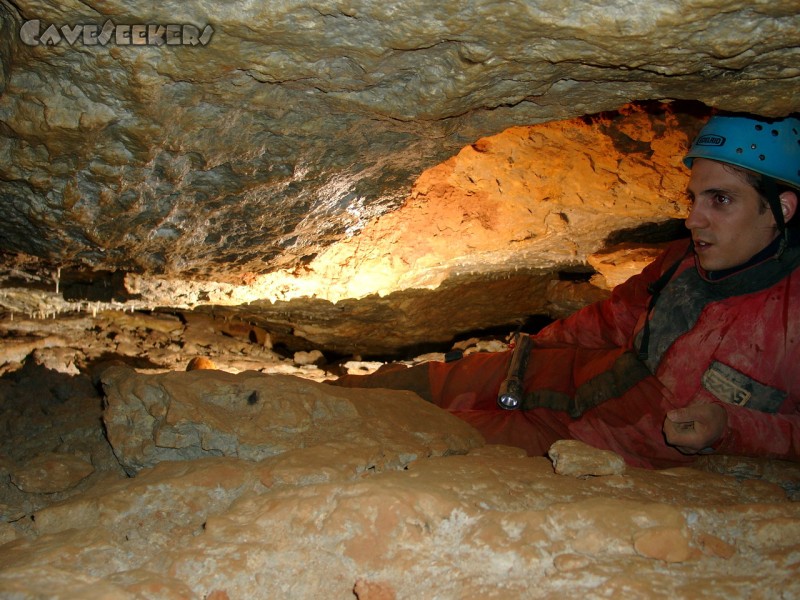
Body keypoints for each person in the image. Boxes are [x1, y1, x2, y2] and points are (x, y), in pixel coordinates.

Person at [330, 113, 800, 469]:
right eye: (694, 198)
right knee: (400, 387)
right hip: (560, 378)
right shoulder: (682, 260)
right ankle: (295, 397)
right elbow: (609, 321)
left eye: (721, 200)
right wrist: (520, 357)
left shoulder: (790, 317)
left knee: (405, 434)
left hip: (585, 441)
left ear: (781, 207)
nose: (693, 219)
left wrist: (729, 429)